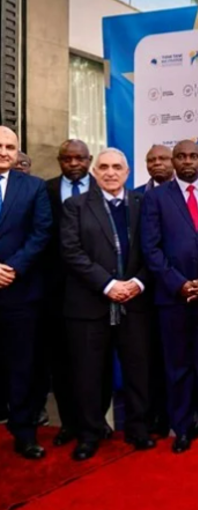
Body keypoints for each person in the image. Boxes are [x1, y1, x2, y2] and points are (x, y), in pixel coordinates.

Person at [59, 148, 155, 461]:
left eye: (117, 167)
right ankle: (89, 434)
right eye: (104, 167)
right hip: (89, 305)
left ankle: (139, 429)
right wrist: (109, 285)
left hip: (135, 302)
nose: (111, 172)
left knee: (138, 370)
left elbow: (154, 250)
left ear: (128, 173)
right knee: (88, 374)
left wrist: (136, 283)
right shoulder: (75, 206)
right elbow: (71, 251)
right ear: (94, 172)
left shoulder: (145, 204)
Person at [140, 139, 198, 454]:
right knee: (177, 365)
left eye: (193, 156)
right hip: (172, 297)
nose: (188, 161)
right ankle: (181, 428)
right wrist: (178, 284)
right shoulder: (155, 198)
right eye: (181, 156)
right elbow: (151, 248)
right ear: (173, 162)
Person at [40, 140, 99, 448]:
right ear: (59, 160)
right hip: (56, 291)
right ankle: (69, 423)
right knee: (61, 360)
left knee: (96, 360)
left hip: (96, 288)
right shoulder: (44, 190)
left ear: (89, 160)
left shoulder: (103, 189)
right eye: (68, 158)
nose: (74, 163)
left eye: (80, 158)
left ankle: (97, 419)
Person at [0, 126, 52, 459]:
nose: (4, 151)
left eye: (10, 147)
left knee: (22, 367)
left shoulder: (34, 188)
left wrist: (11, 268)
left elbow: (41, 232)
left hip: (19, 293)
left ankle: (24, 432)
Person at [134, 144, 175, 437]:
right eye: (151, 160)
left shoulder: (188, 194)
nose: (157, 163)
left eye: (162, 158)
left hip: (177, 290)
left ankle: (184, 415)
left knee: (178, 358)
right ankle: (154, 416)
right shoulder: (135, 196)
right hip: (142, 292)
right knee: (147, 358)